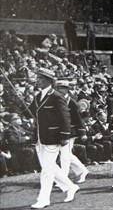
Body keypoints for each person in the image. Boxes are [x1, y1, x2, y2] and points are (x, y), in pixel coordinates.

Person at [25, 68, 79, 209]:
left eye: (40, 78)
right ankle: (70, 187)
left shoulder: (56, 96)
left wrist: (64, 136)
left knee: (47, 170)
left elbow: (65, 117)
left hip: (53, 138)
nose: (37, 81)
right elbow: (29, 112)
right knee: (49, 167)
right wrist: (19, 102)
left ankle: (43, 199)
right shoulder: (38, 96)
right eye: (37, 78)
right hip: (39, 138)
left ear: (48, 81)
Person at [55, 80, 89, 183]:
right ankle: (82, 170)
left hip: (71, 131)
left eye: (63, 88)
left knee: (65, 155)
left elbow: (79, 118)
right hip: (60, 131)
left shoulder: (72, 102)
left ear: (67, 89)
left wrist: (82, 133)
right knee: (66, 154)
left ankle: (64, 178)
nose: (60, 90)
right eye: (58, 88)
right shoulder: (56, 101)